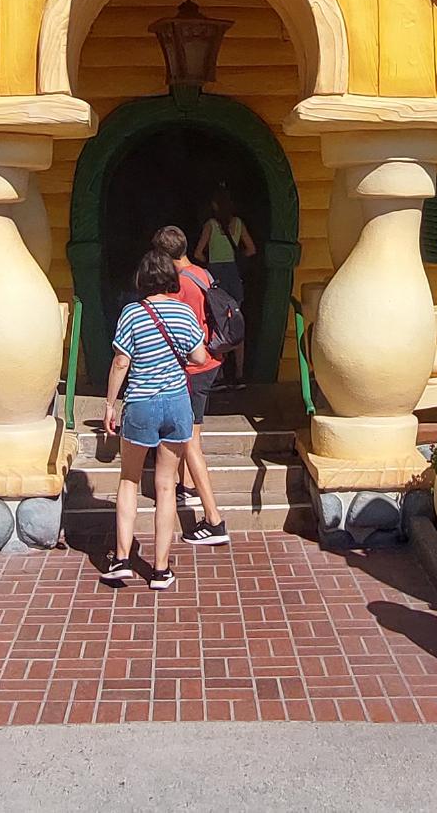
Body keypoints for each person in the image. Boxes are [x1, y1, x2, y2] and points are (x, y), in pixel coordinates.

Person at [99, 249, 204, 588]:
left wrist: (110, 404)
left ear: (141, 279)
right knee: (166, 485)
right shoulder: (184, 312)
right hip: (176, 402)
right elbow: (199, 357)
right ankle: (160, 569)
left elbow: (121, 362)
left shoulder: (132, 313)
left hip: (141, 403)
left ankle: (122, 558)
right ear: (171, 278)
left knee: (129, 479)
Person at [153, 226, 231, 547]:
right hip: (210, 362)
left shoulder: (180, 284)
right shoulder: (202, 273)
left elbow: (173, 325)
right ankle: (186, 485)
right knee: (192, 431)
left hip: (192, 367)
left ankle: (214, 520)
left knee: (190, 441)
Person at [195, 189, 256, 387]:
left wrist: (209, 263)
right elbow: (251, 249)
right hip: (233, 275)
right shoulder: (238, 223)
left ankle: (219, 373)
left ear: (214, 205)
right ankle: (239, 374)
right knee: (236, 322)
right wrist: (236, 260)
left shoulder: (210, 225)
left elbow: (198, 253)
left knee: (216, 323)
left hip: (217, 276)